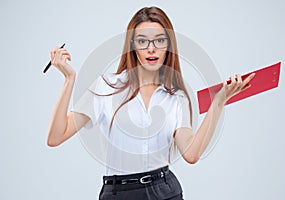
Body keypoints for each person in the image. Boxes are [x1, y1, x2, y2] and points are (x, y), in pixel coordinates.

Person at [46, 6, 255, 200]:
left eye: (159, 41)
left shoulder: (177, 97)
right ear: (133, 46)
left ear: (168, 46)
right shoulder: (106, 86)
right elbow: (55, 137)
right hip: (119, 193)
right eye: (143, 41)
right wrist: (69, 79)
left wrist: (218, 103)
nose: (151, 49)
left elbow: (191, 154)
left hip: (165, 191)